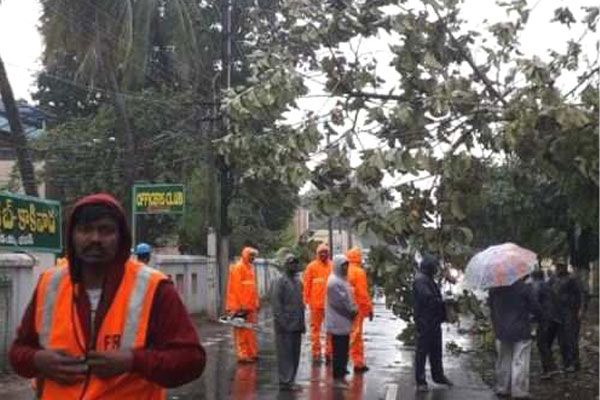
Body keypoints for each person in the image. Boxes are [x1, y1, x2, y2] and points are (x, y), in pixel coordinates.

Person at [9, 193, 206, 399]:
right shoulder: (49, 283)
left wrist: (134, 361)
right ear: (72, 236)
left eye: (106, 230)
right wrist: (38, 360)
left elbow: (192, 360)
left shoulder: (154, 287)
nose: (95, 238)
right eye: (85, 230)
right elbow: (18, 352)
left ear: (121, 237)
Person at [489, 275, 542, 399]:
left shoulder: (494, 289)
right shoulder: (524, 288)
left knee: (503, 359)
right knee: (520, 360)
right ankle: (519, 390)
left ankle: (502, 388)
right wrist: (537, 317)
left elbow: (491, 308)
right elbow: (536, 308)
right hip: (521, 329)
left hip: (501, 330)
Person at [413, 253, 453, 392]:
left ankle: (438, 375)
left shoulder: (427, 278)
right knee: (423, 351)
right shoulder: (421, 280)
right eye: (435, 266)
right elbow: (427, 299)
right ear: (430, 267)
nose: (436, 269)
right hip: (425, 321)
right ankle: (421, 380)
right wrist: (444, 301)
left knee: (436, 349)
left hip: (433, 320)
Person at [272, 254, 305, 392]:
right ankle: (285, 381)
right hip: (285, 326)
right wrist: (282, 323)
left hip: (296, 324)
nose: (294, 266)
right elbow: (276, 304)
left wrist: (302, 323)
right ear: (286, 265)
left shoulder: (297, 281)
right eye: (291, 263)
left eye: (296, 263)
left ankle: (291, 380)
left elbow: (300, 304)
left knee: (295, 354)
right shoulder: (279, 281)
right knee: (285, 355)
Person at [326, 255, 357, 388]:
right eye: (343, 265)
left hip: (342, 322)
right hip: (338, 322)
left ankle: (341, 375)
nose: (345, 268)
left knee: (343, 350)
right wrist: (352, 311)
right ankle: (338, 378)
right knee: (339, 352)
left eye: (346, 265)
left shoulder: (340, 279)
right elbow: (341, 303)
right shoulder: (334, 282)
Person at [548, 258, 584, 373]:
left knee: (571, 339)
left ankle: (574, 363)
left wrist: (581, 309)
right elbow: (547, 291)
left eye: (561, 266)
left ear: (565, 267)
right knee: (561, 340)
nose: (559, 268)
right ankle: (566, 363)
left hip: (570, 312)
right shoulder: (553, 278)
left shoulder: (572, 279)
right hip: (557, 313)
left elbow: (581, 294)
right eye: (557, 266)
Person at [226, 246, 260, 363]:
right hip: (240, 306)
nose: (253, 258)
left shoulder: (249, 268)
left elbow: (252, 288)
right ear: (245, 255)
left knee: (250, 331)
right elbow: (236, 289)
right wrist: (240, 306)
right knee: (241, 332)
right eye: (251, 256)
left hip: (249, 306)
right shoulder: (238, 268)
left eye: (254, 256)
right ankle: (243, 355)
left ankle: (251, 352)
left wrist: (255, 302)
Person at [303, 243, 333, 365]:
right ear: (317, 254)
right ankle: (316, 353)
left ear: (328, 253)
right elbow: (306, 285)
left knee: (330, 330)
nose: (323, 254)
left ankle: (329, 353)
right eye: (321, 252)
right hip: (315, 305)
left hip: (330, 305)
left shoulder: (333, 267)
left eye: (325, 252)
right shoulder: (311, 267)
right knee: (315, 330)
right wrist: (305, 301)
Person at [346, 247, 373, 373]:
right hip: (356, 309)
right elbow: (362, 294)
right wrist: (368, 309)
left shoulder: (343, 270)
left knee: (342, 335)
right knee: (356, 336)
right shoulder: (359, 272)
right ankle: (357, 362)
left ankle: (340, 361)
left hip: (343, 308)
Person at [531, 269, 562, 379]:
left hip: (546, 319)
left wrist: (532, 318)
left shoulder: (537, 285)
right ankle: (551, 368)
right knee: (547, 344)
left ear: (533, 277)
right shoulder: (548, 286)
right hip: (556, 318)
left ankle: (550, 369)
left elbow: (535, 305)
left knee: (542, 343)